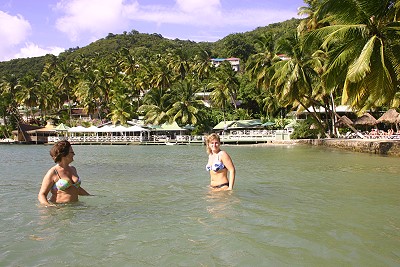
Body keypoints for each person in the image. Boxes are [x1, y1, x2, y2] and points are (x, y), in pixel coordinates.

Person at [38, 140, 90, 206]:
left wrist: (91, 196)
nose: (74, 154)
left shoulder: (73, 169)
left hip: (74, 207)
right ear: (64, 154)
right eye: (72, 152)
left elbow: (77, 188)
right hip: (59, 208)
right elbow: (42, 194)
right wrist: (49, 206)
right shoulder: (53, 172)